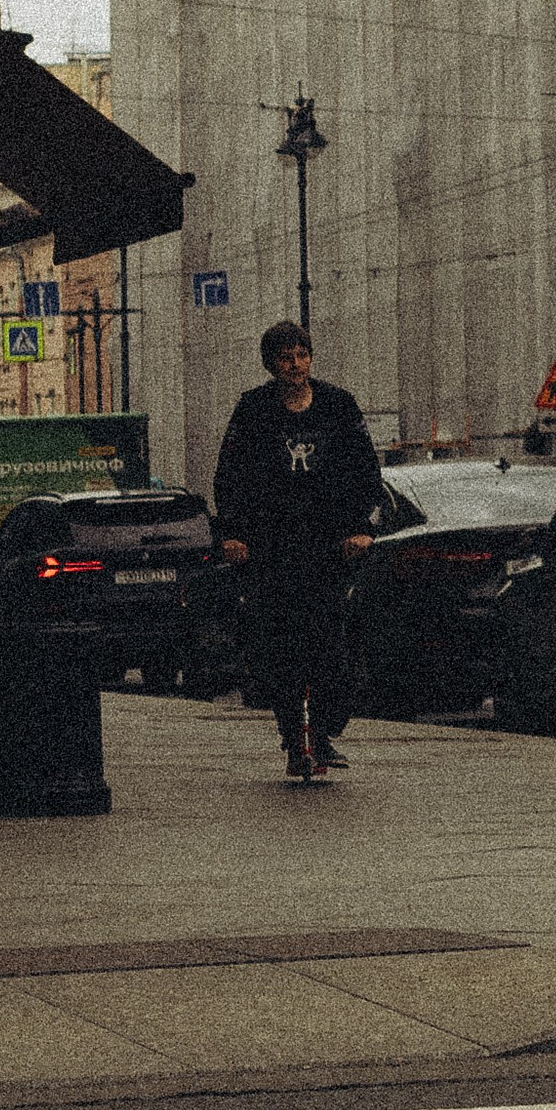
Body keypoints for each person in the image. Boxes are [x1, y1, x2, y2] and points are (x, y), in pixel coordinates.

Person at [215, 323, 382, 785]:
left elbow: (367, 472)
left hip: (327, 549)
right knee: (282, 649)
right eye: (286, 357)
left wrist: (360, 529)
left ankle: (326, 729)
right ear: (271, 364)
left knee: (331, 647)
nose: (296, 365)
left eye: (302, 355)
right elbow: (229, 476)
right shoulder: (253, 410)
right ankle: (294, 737)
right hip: (272, 551)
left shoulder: (338, 406)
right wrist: (233, 534)